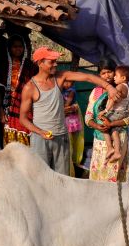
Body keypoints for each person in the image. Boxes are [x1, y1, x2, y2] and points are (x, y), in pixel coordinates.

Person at [19, 46, 121, 175]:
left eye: (56, 61)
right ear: (40, 63)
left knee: (62, 177)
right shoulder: (30, 87)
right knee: (40, 177)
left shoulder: (60, 77)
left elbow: (88, 77)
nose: (56, 64)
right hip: (40, 139)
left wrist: (109, 87)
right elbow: (22, 119)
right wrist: (40, 132)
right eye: (51, 61)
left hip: (61, 136)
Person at [85, 59, 129, 182]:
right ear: (99, 75)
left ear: (116, 73)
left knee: (112, 179)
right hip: (99, 140)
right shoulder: (96, 92)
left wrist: (112, 123)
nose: (107, 76)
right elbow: (88, 116)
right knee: (98, 178)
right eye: (103, 73)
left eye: (110, 72)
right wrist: (96, 126)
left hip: (119, 138)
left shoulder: (123, 91)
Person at [0, 35, 35, 147]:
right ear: (9, 48)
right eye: (15, 47)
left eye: (20, 46)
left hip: (25, 108)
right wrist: (0, 109)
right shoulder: (3, 66)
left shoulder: (30, 66)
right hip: (7, 108)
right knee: (9, 141)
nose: (18, 49)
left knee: (26, 137)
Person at [96, 65, 129, 167]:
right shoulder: (128, 88)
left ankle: (110, 148)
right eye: (103, 73)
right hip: (122, 113)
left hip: (116, 112)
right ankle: (117, 152)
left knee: (102, 123)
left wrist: (105, 110)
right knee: (115, 131)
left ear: (123, 78)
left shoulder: (119, 87)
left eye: (115, 75)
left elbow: (112, 99)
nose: (113, 77)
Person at [63, 83, 85, 172]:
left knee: (70, 140)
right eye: (66, 82)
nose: (67, 84)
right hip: (67, 117)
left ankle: (73, 161)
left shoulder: (70, 91)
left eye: (70, 82)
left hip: (70, 119)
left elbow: (66, 105)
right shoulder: (62, 90)